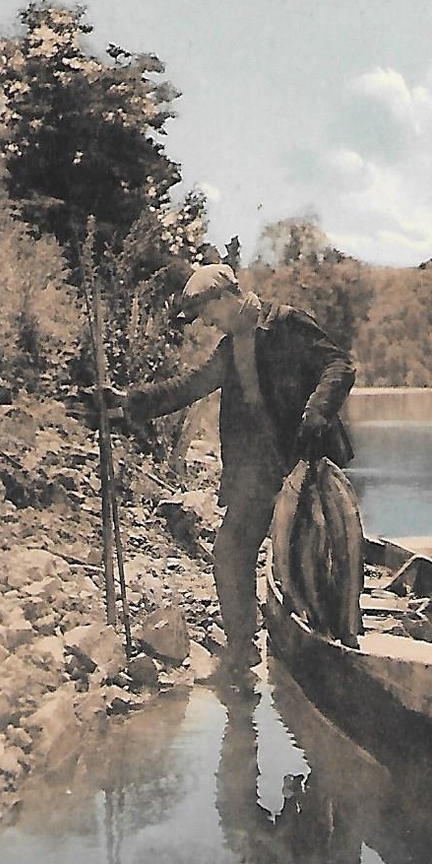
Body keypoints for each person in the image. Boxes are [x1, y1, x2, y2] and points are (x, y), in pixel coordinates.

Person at [125, 263, 356, 663]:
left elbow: (339, 366)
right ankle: (241, 651)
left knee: (319, 564)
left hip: (308, 465)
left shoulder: (285, 323)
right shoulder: (230, 348)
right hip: (259, 472)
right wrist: (128, 402)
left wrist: (317, 410)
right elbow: (188, 387)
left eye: (207, 313)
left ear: (224, 299)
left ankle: (341, 645)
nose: (208, 323)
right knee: (230, 553)